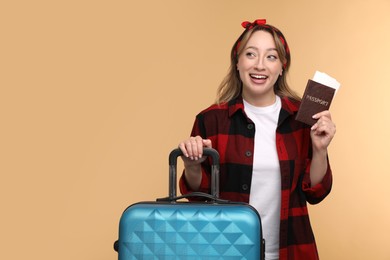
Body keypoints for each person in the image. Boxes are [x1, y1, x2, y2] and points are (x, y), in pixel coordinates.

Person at [177, 19, 336, 260]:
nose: (260, 65)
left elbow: (316, 193)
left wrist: (320, 149)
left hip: (290, 251)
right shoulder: (211, 120)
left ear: (282, 66)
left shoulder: (301, 119)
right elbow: (198, 198)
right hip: (227, 252)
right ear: (238, 63)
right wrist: (191, 166)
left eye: (271, 57)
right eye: (251, 54)